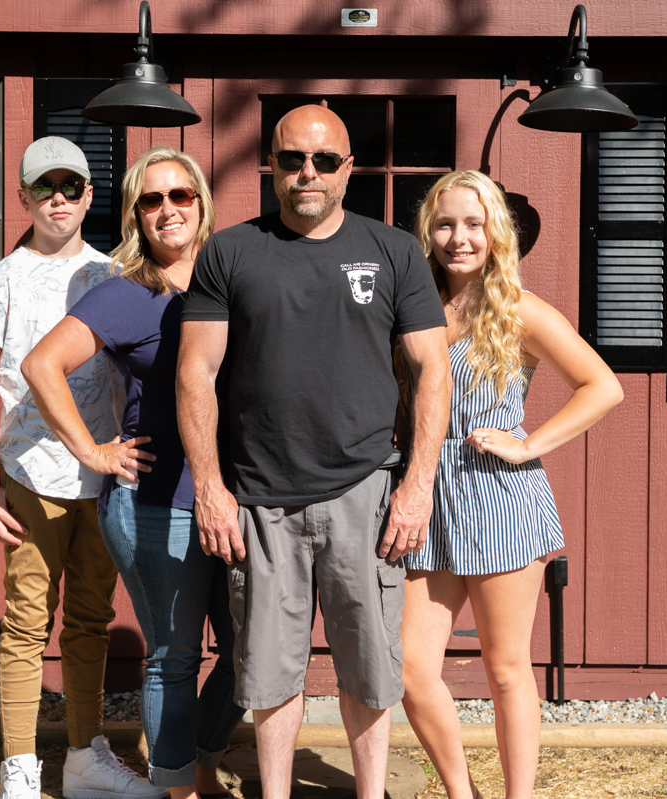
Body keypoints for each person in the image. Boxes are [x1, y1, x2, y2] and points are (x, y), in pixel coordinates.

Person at [175, 105, 453, 799]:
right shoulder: (230, 252)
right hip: (261, 498)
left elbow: (433, 370)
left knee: (369, 668)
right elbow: (195, 373)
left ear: (347, 168)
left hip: (365, 493)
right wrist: (210, 487)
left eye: (324, 161)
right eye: (292, 158)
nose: (308, 172)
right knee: (269, 673)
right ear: (270, 164)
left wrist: (417, 486)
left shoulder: (393, 251)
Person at [22, 147, 246, 799]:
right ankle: (179, 786)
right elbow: (41, 366)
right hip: (154, 503)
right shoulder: (126, 295)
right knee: (174, 658)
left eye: (180, 195)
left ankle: (198, 753)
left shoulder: (235, 280)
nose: (167, 209)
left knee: (249, 654)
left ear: (202, 204)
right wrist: (94, 453)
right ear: (134, 216)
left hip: (237, 499)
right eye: (151, 200)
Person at [399, 170, 623, 799]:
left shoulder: (518, 309)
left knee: (504, 669)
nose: (458, 238)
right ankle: (461, 793)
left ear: (496, 233)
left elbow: (603, 385)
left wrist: (529, 444)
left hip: (500, 499)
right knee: (413, 668)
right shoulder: (411, 305)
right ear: (428, 231)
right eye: (445, 224)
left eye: (474, 224)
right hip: (426, 499)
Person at [0, 136, 167, 799]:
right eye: (44, 186)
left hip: (103, 477)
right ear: (22, 195)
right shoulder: (2, 279)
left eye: (71, 186)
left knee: (89, 620)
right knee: (26, 621)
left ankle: (84, 756)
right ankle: (20, 767)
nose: (59, 198)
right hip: (31, 476)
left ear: (88, 196)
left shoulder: (114, 274)